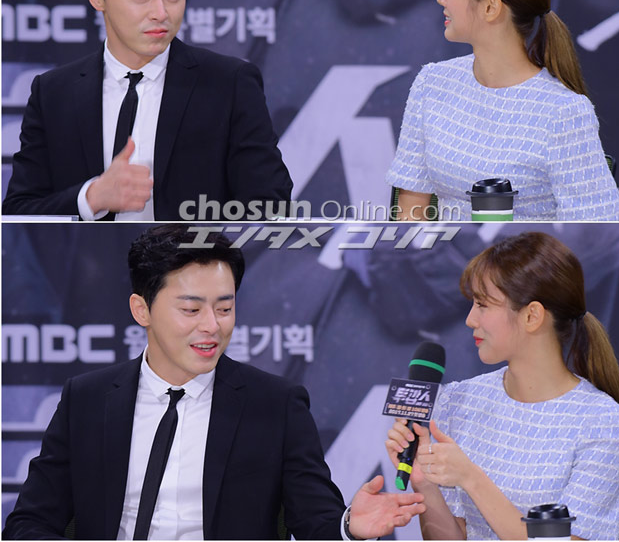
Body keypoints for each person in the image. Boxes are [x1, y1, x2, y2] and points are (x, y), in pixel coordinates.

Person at [3, 224, 425, 540]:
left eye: (224, 308)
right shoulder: (87, 399)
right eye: (191, 310)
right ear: (141, 309)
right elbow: (29, 523)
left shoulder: (275, 404)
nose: (212, 326)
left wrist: (349, 526)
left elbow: (316, 521)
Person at [2, 0, 292, 221]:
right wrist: (92, 197)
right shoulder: (53, 92)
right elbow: (18, 213)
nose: (161, 12)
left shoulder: (229, 84)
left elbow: (271, 206)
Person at [386, 232, 619, 540]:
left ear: (532, 316)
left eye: (482, 305)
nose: (470, 319)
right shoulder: (458, 401)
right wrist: (425, 483)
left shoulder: (604, 422)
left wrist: (471, 478)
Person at [386, 0, 619, 221]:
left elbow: (596, 226)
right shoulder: (431, 83)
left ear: (491, 7)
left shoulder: (564, 112)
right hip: (443, 251)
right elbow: (411, 208)